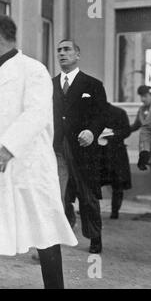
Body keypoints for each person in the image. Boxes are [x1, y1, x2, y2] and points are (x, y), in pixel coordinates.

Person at [0, 15, 78, 289]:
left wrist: (9, 148)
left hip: (30, 170)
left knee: (45, 235)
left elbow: (37, 115)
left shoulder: (32, 70)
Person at [52, 39, 107, 254]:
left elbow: (102, 114)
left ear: (77, 55)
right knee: (58, 192)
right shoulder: (51, 84)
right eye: (59, 50)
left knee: (87, 195)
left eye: (67, 50)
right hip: (57, 146)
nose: (62, 54)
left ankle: (94, 237)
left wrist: (92, 131)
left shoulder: (92, 84)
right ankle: (60, 231)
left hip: (83, 149)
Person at [98, 103, 132, 219]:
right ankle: (108, 211)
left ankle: (114, 211)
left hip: (111, 154)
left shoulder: (118, 112)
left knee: (115, 184)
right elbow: (126, 130)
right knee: (113, 185)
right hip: (107, 154)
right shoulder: (91, 112)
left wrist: (111, 134)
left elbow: (126, 130)